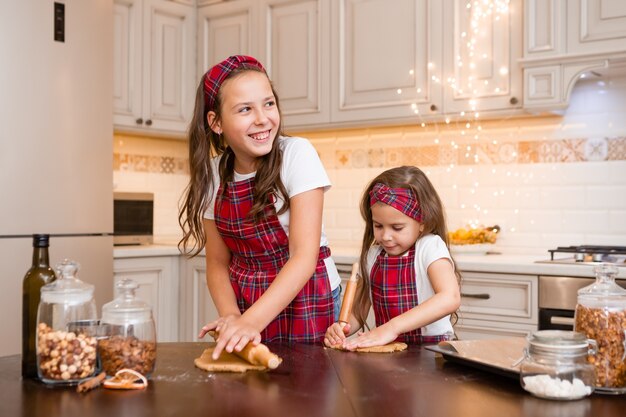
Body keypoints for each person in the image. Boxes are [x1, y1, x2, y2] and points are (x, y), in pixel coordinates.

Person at [178, 55, 342, 358]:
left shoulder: (296, 154)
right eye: (245, 109)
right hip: (246, 302)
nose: (263, 118)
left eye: (268, 104)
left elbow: (304, 257)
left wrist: (251, 320)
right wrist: (231, 316)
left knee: (310, 391)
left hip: (308, 295)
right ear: (216, 122)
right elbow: (216, 263)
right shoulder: (214, 174)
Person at [324, 166, 461, 349]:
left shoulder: (430, 248)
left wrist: (392, 328)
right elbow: (358, 311)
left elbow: (450, 297)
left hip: (432, 351)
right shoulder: (373, 256)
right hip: (389, 351)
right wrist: (341, 329)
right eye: (378, 226)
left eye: (397, 228)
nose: (386, 236)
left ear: (422, 222)